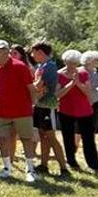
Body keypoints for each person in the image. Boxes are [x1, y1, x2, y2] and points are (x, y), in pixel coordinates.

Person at [0, 40, 39, 182]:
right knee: (3, 140)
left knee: (26, 140)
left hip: (22, 111)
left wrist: (33, 105)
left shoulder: (20, 66)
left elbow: (31, 88)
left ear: (6, 51)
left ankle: (30, 170)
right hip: (1, 112)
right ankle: (7, 168)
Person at [57, 50, 98, 172]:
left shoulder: (82, 73)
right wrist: (70, 84)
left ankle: (94, 165)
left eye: (75, 63)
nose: (72, 66)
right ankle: (72, 162)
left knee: (88, 138)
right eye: (70, 63)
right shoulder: (59, 74)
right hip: (66, 110)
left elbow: (88, 92)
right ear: (65, 61)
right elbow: (58, 94)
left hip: (84, 110)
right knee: (68, 138)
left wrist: (77, 83)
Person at [29, 41, 67, 176]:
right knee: (42, 135)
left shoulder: (49, 66)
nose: (32, 55)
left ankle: (64, 168)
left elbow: (40, 86)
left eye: (33, 52)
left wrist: (31, 87)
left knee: (51, 136)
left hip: (47, 106)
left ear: (40, 52)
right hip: (39, 105)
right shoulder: (41, 65)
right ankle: (44, 165)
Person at [81, 50, 98, 136]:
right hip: (85, 101)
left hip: (95, 101)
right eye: (96, 59)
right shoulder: (82, 71)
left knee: (93, 125)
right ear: (90, 61)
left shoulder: (94, 71)